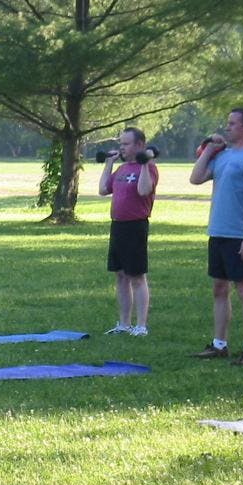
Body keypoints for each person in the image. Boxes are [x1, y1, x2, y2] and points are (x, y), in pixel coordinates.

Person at [189, 108, 243, 365]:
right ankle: (219, 344)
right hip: (217, 231)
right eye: (227, 123)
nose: (227, 127)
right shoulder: (223, 155)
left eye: (232, 124)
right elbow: (196, 178)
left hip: (238, 234)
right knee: (219, 288)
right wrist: (210, 149)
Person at [98, 127, 158, 336]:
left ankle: (141, 326)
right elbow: (103, 189)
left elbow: (143, 191)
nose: (121, 148)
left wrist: (144, 163)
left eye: (126, 144)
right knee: (121, 276)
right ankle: (124, 324)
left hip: (135, 226)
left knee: (137, 277)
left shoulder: (148, 168)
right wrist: (109, 163)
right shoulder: (122, 169)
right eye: (121, 144)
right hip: (118, 225)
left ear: (139, 145)